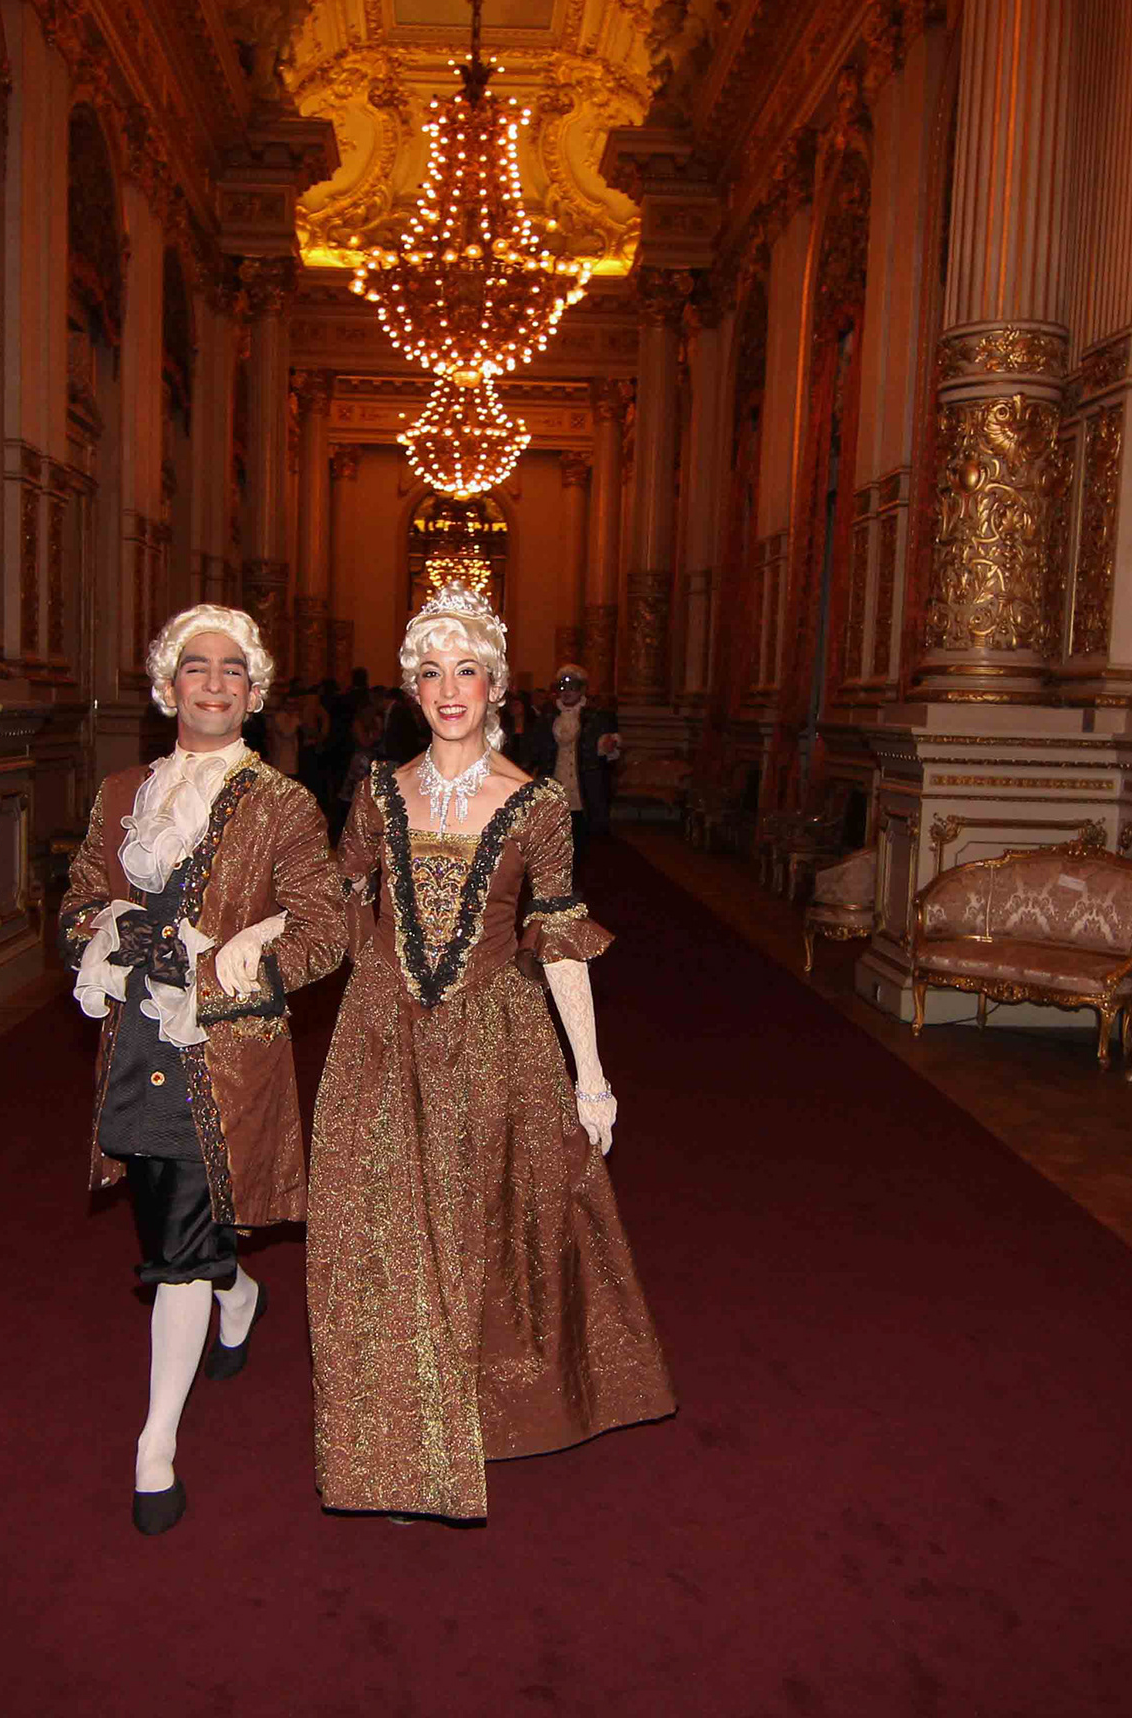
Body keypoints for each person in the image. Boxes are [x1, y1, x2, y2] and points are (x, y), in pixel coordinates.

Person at [306, 585, 675, 1521]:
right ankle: (402, 1443)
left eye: (466, 670)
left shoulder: (538, 805)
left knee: (480, 1232)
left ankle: (471, 1413)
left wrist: (592, 1077)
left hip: (494, 1044)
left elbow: (560, 941)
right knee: (386, 1235)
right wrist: (260, 955)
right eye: (431, 673)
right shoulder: (377, 793)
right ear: (411, 690)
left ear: (496, 685)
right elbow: (336, 901)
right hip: (385, 1042)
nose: (448, 689)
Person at [59, 605, 346, 1537]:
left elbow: (326, 932)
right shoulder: (120, 792)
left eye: (232, 670)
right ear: (167, 686)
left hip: (222, 1053)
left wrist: (221, 967)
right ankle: (240, 1289)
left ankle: (155, 1448)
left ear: (254, 694)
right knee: (166, 1211)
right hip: (133, 1046)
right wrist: (109, 930)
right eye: (196, 667)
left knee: (177, 1241)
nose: (214, 683)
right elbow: (77, 897)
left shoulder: (285, 805)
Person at [526, 662, 621, 855]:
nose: (567, 692)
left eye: (572, 687)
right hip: (554, 783)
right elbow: (536, 749)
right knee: (554, 839)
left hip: (585, 787)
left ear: (582, 690)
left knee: (582, 839)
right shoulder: (548, 716)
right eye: (563, 687)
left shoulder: (595, 717)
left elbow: (607, 750)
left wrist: (607, 746)